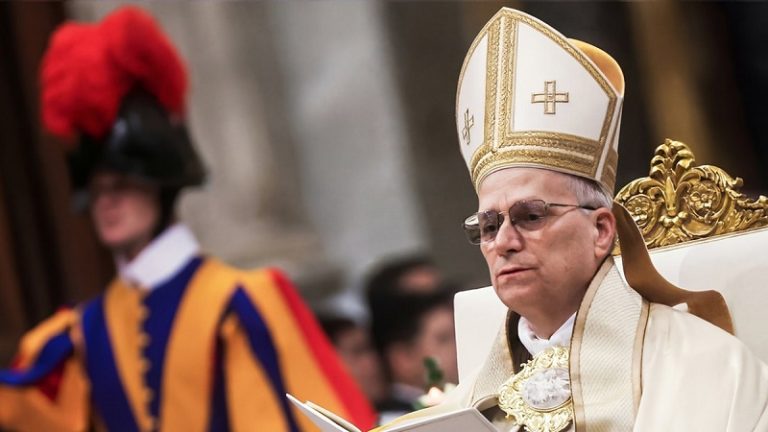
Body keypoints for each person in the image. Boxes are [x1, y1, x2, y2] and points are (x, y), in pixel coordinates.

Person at [377, 7, 768, 432]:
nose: (503, 241)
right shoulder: (461, 409)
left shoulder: (702, 369)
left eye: (530, 216)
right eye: (489, 226)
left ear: (601, 230)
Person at [0, 7, 375, 431]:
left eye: (123, 185)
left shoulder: (242, 300)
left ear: (161, 187)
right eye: (97, 190)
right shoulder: (83, 331)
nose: (107, 203)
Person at [369, 290, 458, 424]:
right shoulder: (388, 422)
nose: (457, 346)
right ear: (403, 357)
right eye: (443, 339)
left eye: (457, 335)